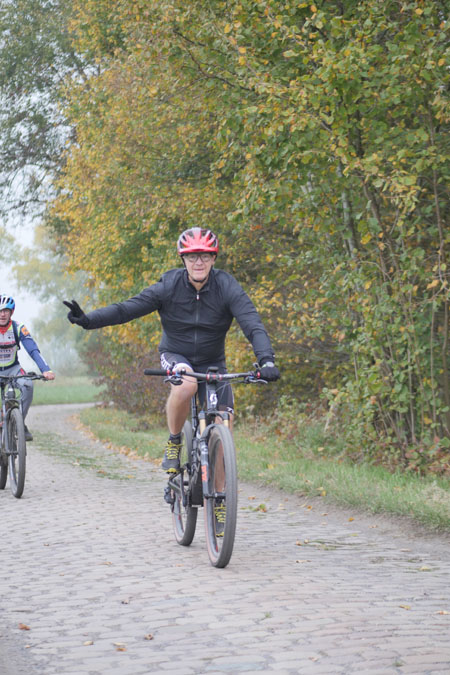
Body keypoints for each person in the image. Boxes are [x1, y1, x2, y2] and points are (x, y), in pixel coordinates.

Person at [64, 227, 280, 473]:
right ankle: (174, 440)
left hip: (213, 362)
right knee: (187, 384)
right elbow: (127, 309)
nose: (198, 262)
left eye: (205, 256)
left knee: (224, 430)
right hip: (176, 355)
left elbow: (253, 325)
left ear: (213, 258)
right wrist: (88, 320)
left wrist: (266, 361)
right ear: (183, 259)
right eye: (192, 256)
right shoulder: (168, 286)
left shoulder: (226, 286)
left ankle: (221, 497)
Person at [0, 295, 55, 441]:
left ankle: (18, 422)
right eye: (0, 311)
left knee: (28, 385)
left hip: (13, 369)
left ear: (11, 312)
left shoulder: (18, 328)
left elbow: (33, 350)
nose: (2, 314)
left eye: (6, 311)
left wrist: (46, 369)